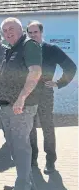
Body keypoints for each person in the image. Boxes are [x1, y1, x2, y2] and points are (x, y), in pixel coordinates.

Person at [0, 17, 42, 190]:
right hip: (7, 105)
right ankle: (26, 183)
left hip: (21, 106)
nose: (7, 32)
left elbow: (35, 72)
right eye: (4, 30)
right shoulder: (11, 50)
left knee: (20, 147)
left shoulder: (29, 45)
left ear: (21, 29)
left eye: (11, 28)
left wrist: (21, 98)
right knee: (14, 146)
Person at [27, 21, 77, 174]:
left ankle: (50, 161)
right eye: (30, 32)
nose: (33, 35)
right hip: (28, 93)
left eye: (35, 32)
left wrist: (59, 83)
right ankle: (32, 160)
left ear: (41, 32)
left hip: (45, 93)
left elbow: (71, 67)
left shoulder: (51, 49)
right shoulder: (26, 50)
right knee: (30, 128)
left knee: (47, 127)